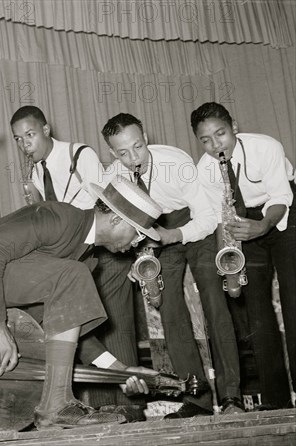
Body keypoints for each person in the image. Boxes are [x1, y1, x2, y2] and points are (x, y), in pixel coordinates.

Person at [0, 175, 163, 429]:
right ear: (116, 219)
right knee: (72, 275)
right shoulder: (60, 219)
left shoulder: (86, 258)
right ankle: (55, 405)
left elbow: (65, 328)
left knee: (71, 277)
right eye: (137, 233)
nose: (137, 243)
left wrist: (120, 370)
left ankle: (54, 407)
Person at [102, 112, 243, 417]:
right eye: (123, 152)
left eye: (138, 147)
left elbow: (206, 218)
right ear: (113, 152)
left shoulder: (176, 162)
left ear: (146, 139)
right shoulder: (113, 175)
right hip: (155, 235)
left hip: (193, 227)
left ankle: (232, 398)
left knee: (214, 303)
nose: (133, 158)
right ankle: (197, 399)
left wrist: (172, 235)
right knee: (171, 314)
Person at [10, 106, 139, 417]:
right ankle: (98, 407)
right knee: (77, 325)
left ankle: (130, 408)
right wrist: (37, 206)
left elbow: (97, 205)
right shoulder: (37, 171)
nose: (25, 144)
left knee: (112, 326)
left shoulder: (80, 155)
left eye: (29, 135)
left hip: (104, 250)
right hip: (74, 257)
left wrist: (52, 213)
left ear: (46, 129)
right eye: (18, 139)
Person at [192, 102, 295, 409]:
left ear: (234, 127)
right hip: (243, 222)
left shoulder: (266, 147)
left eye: (220, 134)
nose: (215, 145)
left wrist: (262, 226)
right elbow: (219, 216)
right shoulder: (204, 169)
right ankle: (276, 400)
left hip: (283, 214)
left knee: (293, 301)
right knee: (257, 312)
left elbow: (281, 198)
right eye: (205, 140)